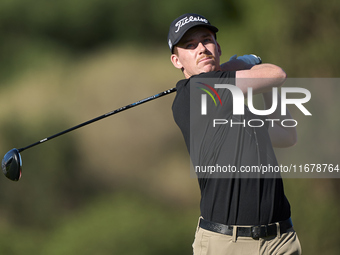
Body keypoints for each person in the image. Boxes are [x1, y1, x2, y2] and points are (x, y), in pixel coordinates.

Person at [168, 13, 302, 255]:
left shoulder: (236, 107)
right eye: (190, 45)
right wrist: (251, 62)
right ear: (177, 61)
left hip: (280, 240)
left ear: (217, 48)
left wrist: (266, 86)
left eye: (206, 40)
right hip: (226, 243)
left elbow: (286, 135)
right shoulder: (193, 93)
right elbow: (277, 73)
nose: (201, 48)